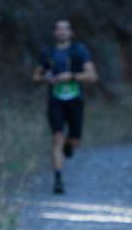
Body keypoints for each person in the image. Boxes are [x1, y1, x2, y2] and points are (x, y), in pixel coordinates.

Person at [32, 20, 98, 194]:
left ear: (71, 32)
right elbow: (36, 76)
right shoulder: (47, 52)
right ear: (54, 33)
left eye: (65, 29)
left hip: (75, 101)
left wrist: (72, 76)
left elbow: (92, 76)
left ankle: (70, 145)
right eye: (58, 29)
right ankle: (58, 179)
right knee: (57, 137)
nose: (61, 32)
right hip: (55, 101)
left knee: (74, 139)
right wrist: (46, 78)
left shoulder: (79, 51)